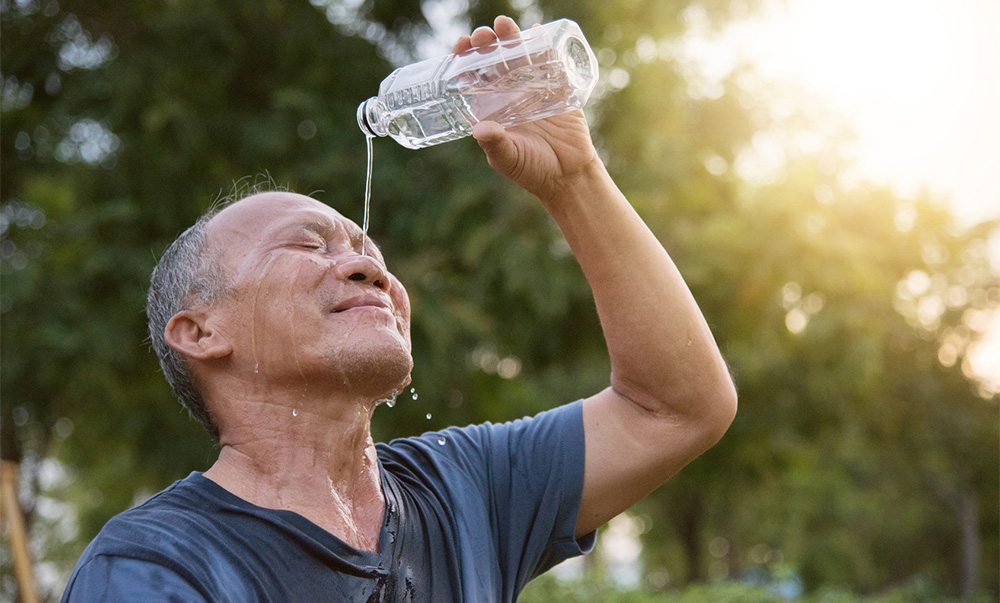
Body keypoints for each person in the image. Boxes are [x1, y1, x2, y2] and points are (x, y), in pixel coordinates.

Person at [62, 16, 736, 602]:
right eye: (305, 244)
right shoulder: (155, 565)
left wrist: (577, 179)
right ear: (201, 330)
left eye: (367, 250)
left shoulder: (465, 489)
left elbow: (675, 408)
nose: (369, 267)